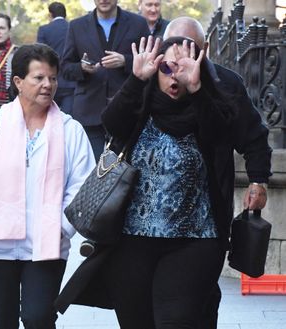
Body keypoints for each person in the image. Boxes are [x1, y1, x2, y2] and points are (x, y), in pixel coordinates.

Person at [55, 35, 272, 328]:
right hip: (132, 241)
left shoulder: (211, 106)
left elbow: (224, 135)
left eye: (182, 69)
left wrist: (197, 89)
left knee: (176, 320)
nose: (174, 77)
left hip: (195, 239)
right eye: (167, 69)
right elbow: (112, 124)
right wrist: (135, 79)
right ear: (155, 70)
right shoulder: (140, 102)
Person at [0, 43, 95, 329]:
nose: (48, 85)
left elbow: (83, 185)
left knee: (38, 317)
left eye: (52, 78)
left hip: (47, 243)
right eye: (39, 78)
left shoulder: (70, 130)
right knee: (0, 320)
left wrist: (62, 227)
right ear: (18, 82)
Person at [163, 16, 272, 329]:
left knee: (201, 296)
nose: (181, 55)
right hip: (155, 219)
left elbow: (254, 137)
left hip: (208, 213)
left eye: (190, 47)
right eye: (174, 47)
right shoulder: (153, 79)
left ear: (204, 49)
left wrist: (258, 180)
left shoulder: (225, 83)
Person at [61, 0, 150, 161]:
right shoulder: (76, 26)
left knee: (126, 172)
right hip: (89, 111)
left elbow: (150, 59)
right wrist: (82, 68)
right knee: (90, 170)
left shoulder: (138, 23)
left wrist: (126, 61)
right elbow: (65, 67)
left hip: (127, 110)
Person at [37, 2, 75, 115]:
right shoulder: (73, 28)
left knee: (47, 117)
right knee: (68, 119)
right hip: (70, 82)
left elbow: (40, 55)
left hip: (49, 81)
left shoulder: (44, 30)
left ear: (50, 15)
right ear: (65, 15)